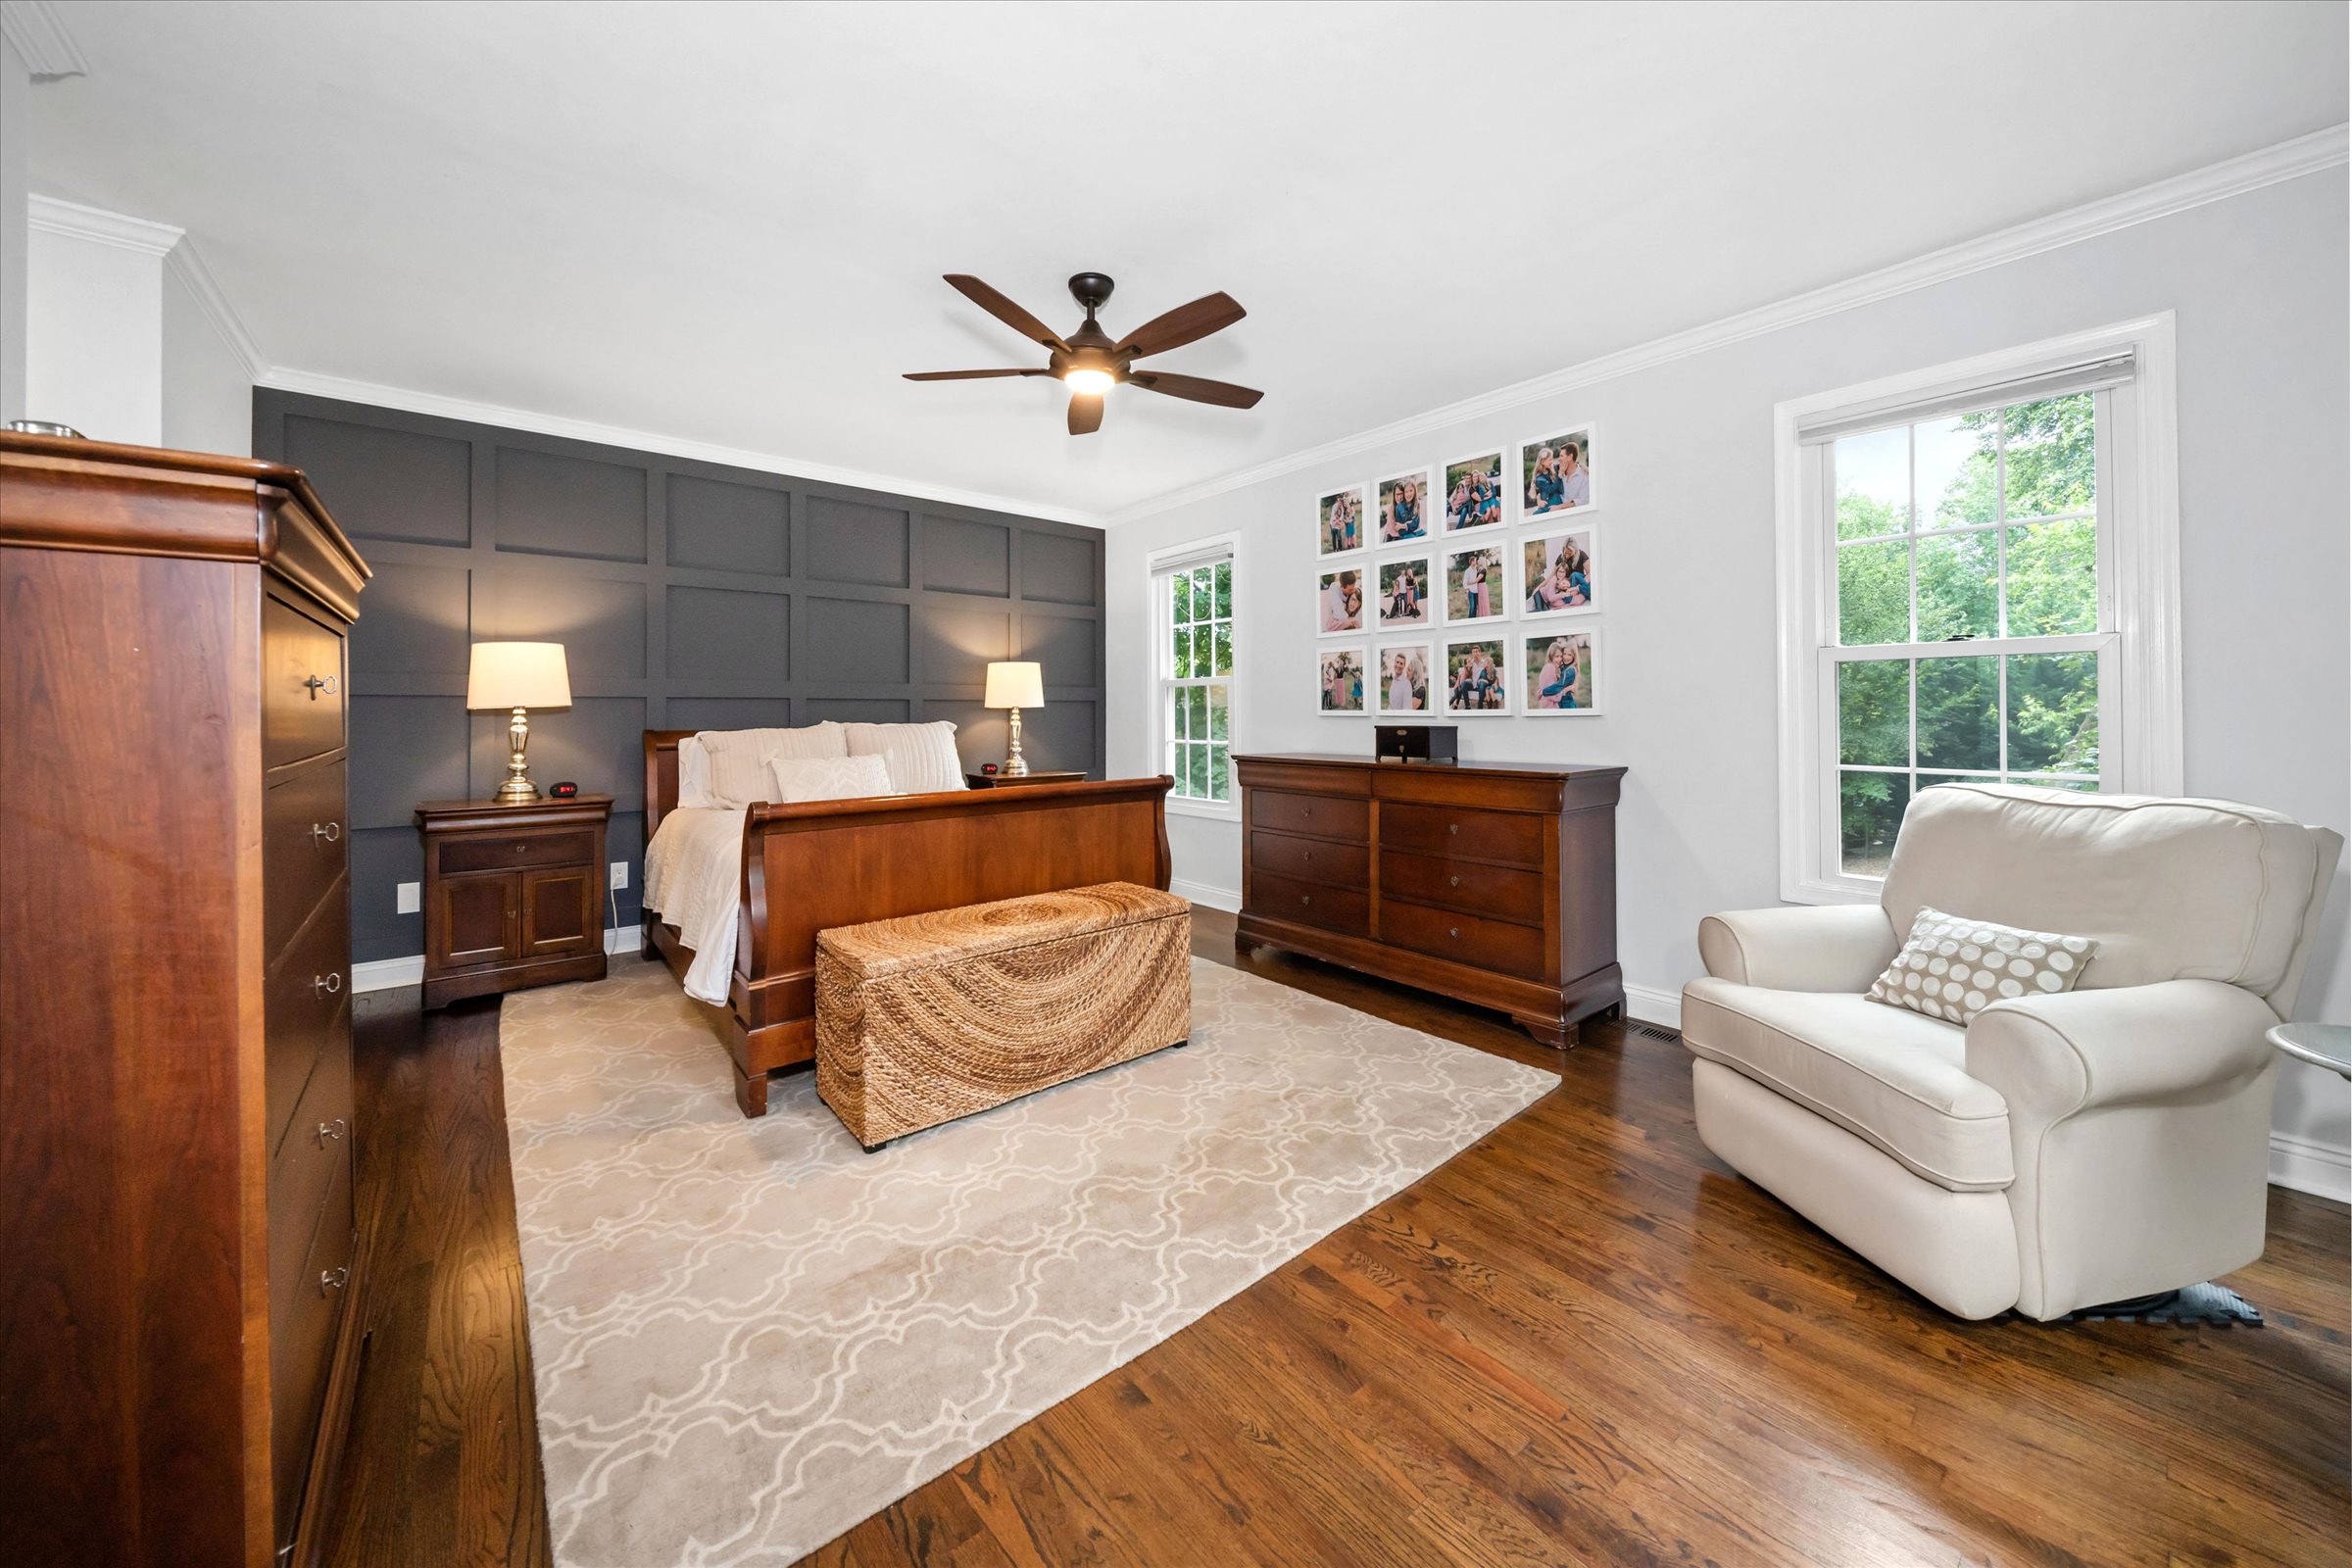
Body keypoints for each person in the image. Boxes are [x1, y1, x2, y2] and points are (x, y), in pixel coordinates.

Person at [1559, 441, 1591, 509]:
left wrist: (1559, 507)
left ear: (1570, 456)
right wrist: (1539, 497)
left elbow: (1584, 500)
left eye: (1561, 456)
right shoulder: (1558, 472)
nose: (1559, 459)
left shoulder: (1584, 475)